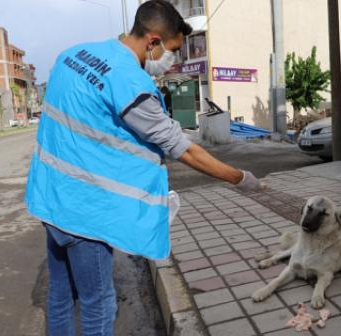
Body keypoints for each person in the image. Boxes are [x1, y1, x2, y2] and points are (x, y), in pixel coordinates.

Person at [24, 1, 264, 335]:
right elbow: (185, 150)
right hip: (84, 215)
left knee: (61, 297)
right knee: (99, 304)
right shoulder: (131, 84)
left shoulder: (73, 55)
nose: (173, 60)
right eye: (173, 50)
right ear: (152, 42)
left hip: (50, 199)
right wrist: (241, 178)